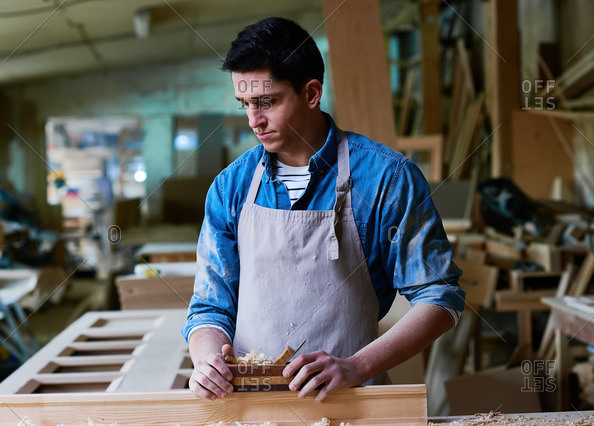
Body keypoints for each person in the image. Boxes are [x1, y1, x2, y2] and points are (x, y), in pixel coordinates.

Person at [181, 16, 464, 402]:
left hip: (353, 406)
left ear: (311, 93)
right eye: (245, 104)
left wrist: (357, 366)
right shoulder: (230, 187)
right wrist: (206, 360)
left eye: (267, 102)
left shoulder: (386, 179)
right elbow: (210, 307)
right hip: (251, 411)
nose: (254, 121)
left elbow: (439, 296)